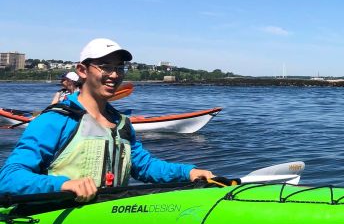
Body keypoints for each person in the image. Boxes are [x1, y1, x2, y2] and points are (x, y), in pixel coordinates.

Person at [0, 38, 214, 202]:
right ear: (82, 70)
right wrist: (64, 185)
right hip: (57, 215)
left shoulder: (122, 124)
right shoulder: (54, 120)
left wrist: (188, 172)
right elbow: (9, 178)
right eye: (105, 66)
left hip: (107, 214)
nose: (114, 75)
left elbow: (144, 166)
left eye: (119, 68)